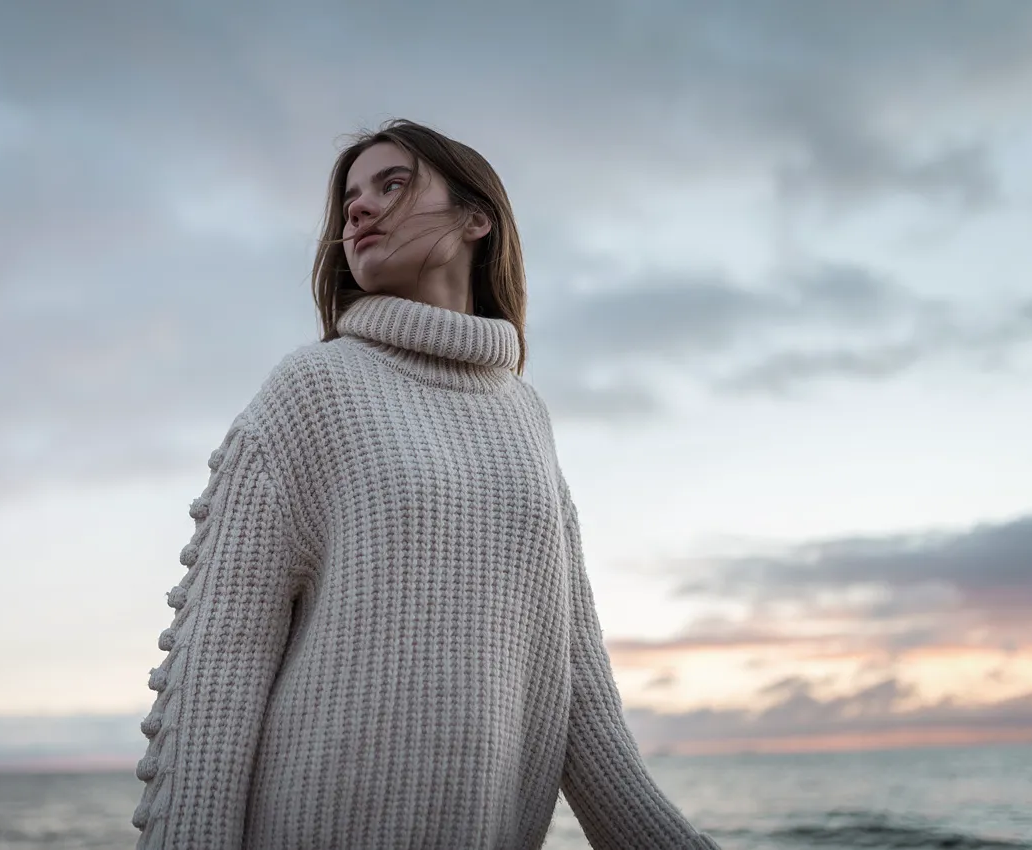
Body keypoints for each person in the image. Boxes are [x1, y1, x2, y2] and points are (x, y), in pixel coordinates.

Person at [131, 118, 719, 849]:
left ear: (478, 219)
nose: (358, 209)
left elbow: (582, 706)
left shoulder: (525, 417)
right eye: (350, 196)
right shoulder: (313, 389)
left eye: (393, 184)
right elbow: (220, 669)